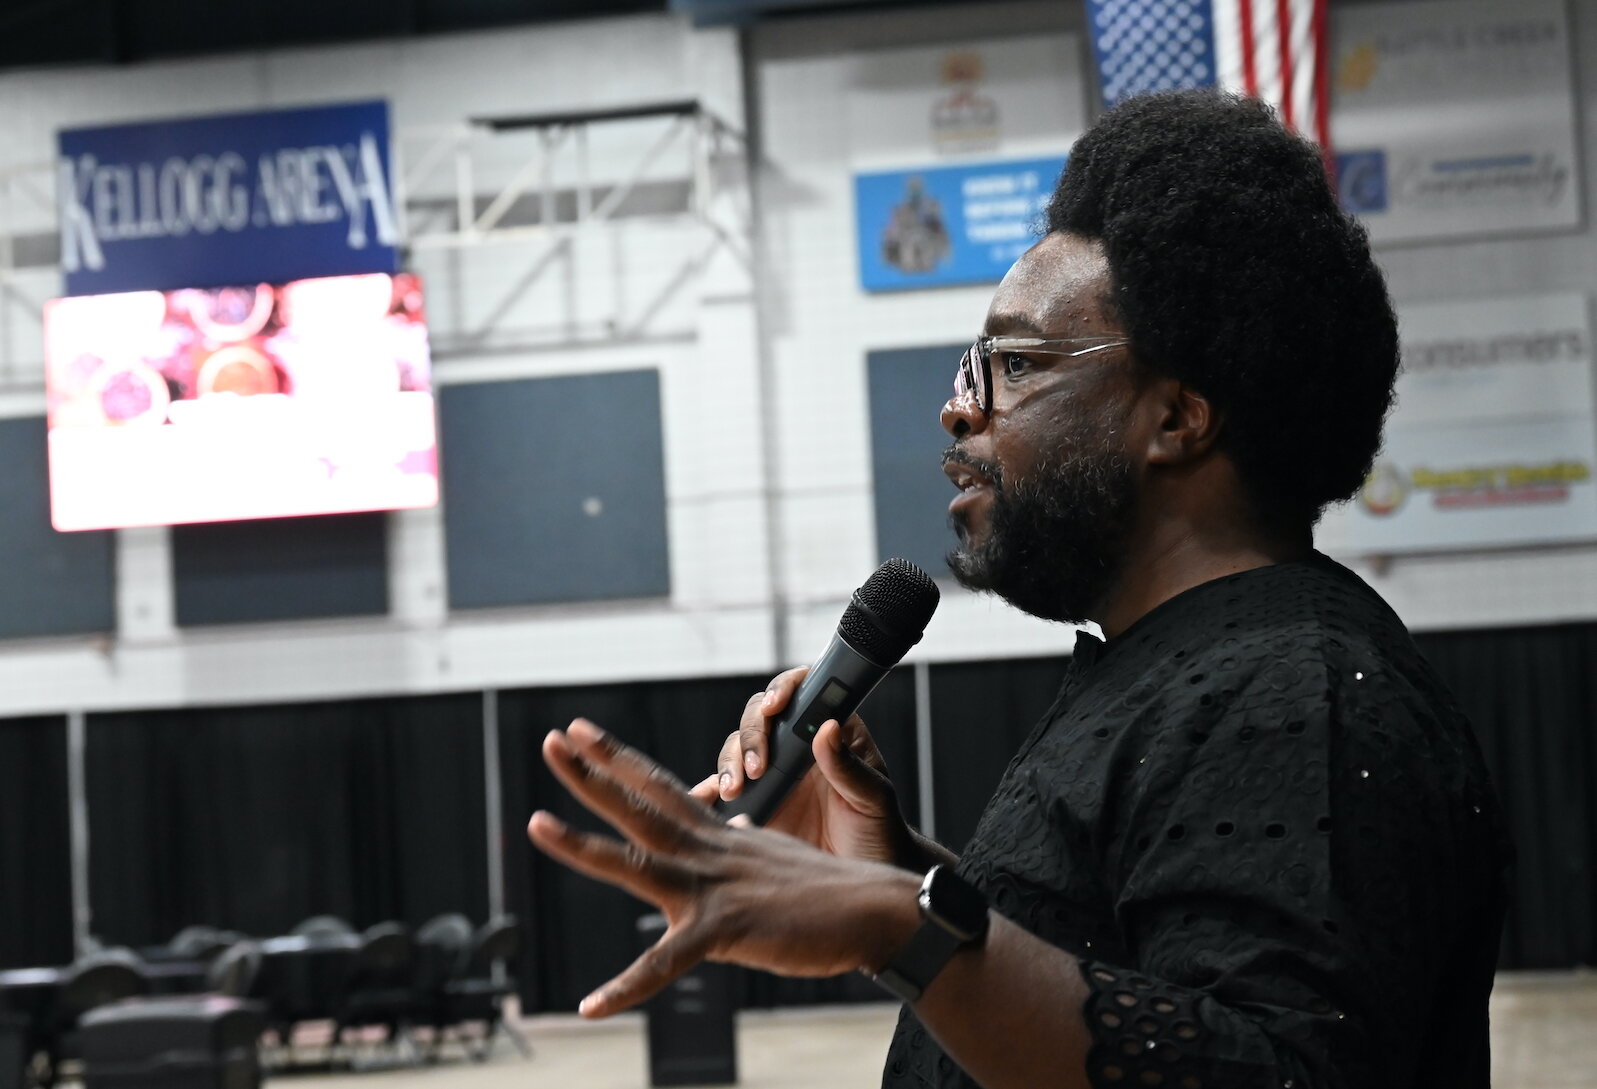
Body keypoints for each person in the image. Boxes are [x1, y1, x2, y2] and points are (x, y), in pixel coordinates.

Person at [526, 91, 1511, 1089]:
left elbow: (1276, 1071)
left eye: (1014, 363)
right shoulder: (1184, 669)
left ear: (1175, 418)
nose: (959, 411)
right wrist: (895, 875)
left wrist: (901, 927)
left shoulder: (1294, 695)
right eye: (972, 366)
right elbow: (1106, 976)